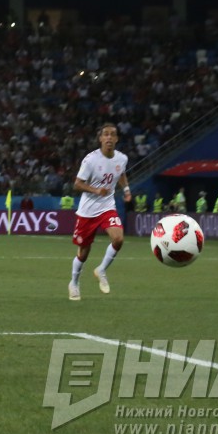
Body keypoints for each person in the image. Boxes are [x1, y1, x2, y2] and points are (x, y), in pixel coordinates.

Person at [67, 123, 132, 301]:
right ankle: (74, 283)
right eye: (106, 134)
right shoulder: (91, 160)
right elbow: (77, 184)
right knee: (83, 253)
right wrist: (96, 190)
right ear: (101, 138)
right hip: (87, 211)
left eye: (112, 134)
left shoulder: (122, 158)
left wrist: (126, 190)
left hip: (107, 207)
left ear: (117, 139)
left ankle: (101, 269)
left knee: (118, 239)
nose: (109, 137)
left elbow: (121, 174)